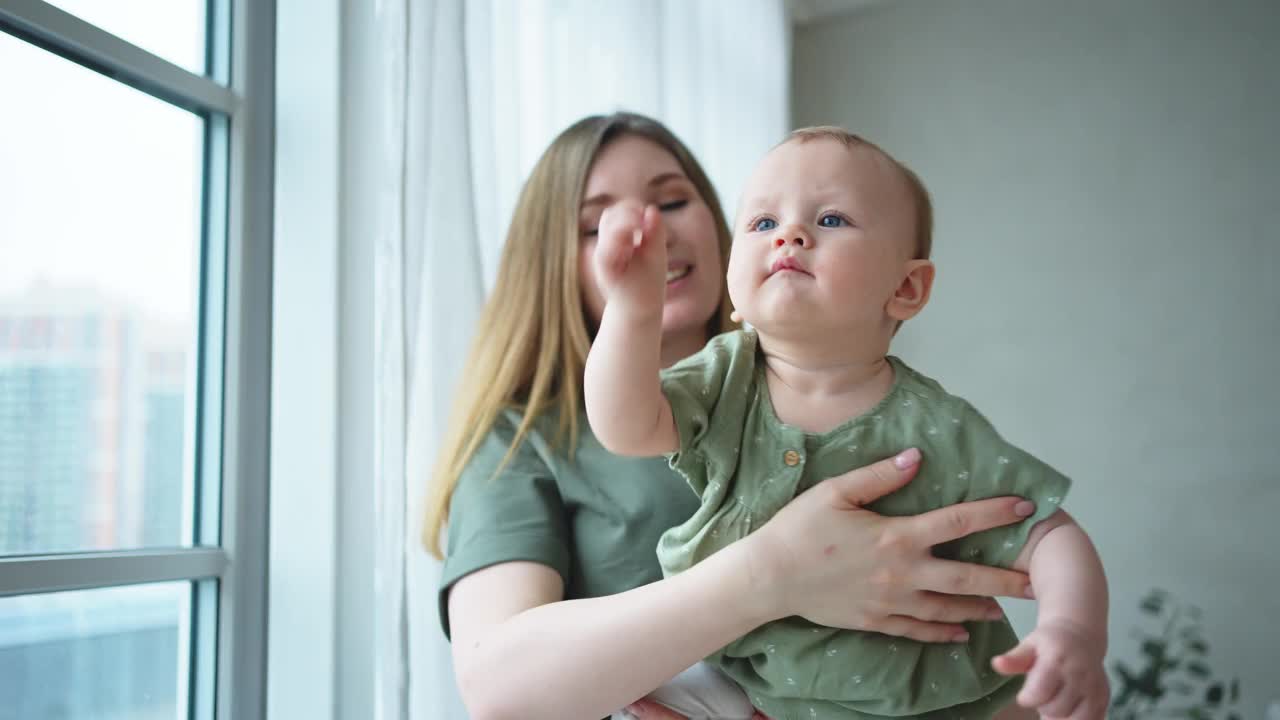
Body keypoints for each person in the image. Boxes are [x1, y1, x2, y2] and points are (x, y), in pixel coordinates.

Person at [425, 112, 1047, 720]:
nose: (650, 231)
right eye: (599, 225)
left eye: (671, 202)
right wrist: (773, 572)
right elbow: (498, 685)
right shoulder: (521, 440)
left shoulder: (872, 395)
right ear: (553, 263)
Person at [583, 126, 1110, 720]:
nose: (790, 234)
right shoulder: (724, 380)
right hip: (754, 689)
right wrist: (632, 306)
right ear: (734, 285)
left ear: (906, 288)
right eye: (761, 224)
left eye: (831, 219)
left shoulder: (936, 427)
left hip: (930, 704)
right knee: (628, 697)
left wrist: (1074, 632)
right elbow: (624, 426)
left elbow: (1049, 533)